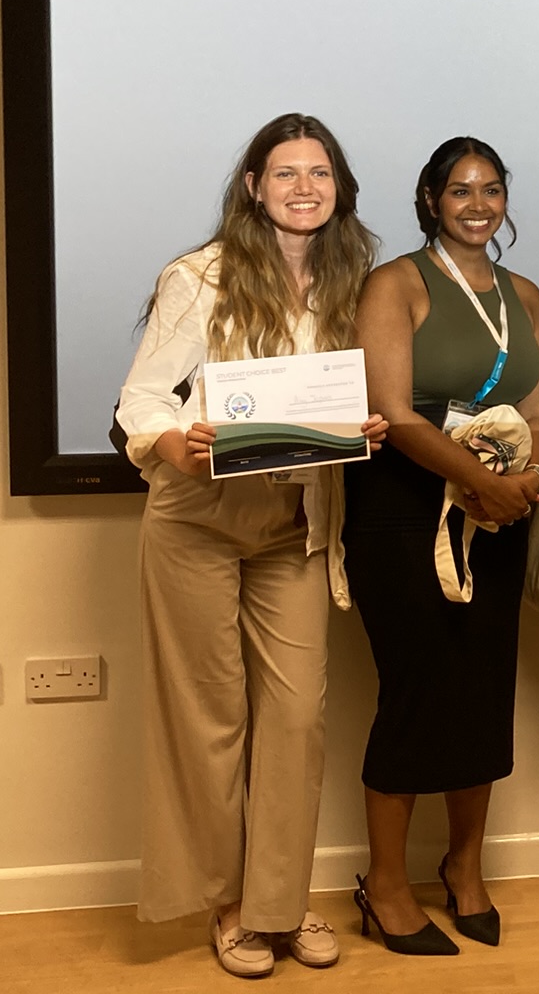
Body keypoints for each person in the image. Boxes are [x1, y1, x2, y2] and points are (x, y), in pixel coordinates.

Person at [115, 112, 388, 978]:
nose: (304, 188)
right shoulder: (199, 277)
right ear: (253, 188)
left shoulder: (357, 282)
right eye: (285, 174)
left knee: (298, 721)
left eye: (319, 173)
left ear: (338, 187)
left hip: (296, 524)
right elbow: (144, 400)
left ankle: (281, 901)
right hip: (197, 516)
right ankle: (230, 906)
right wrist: (173, 446)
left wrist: (363, 429)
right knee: (212, 720)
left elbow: (343, 400)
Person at [343, 137, 539, 955]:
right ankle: (386, 885)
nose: (478, 204)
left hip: (499, 517)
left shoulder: (525, 293)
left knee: (481, 689)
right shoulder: (394, 284)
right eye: (460, 190)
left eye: (492, 190)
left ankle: (464, 869)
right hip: (402, 514)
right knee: (417, 692)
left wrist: (525, 480)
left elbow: (538, 412)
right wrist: (480, 478)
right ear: (431, 199)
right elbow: (392, 410)